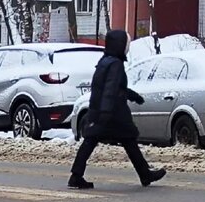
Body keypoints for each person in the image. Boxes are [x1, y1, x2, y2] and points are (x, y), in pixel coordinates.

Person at [69, 29, 166, 189]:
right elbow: (110, 89)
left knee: (93, 141)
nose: (127, 47)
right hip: (113, 113)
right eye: (126, 44)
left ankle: (76, 175)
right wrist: (106, 112)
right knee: (127, 140)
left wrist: (132, 95)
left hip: (103, 110)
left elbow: (111, 87)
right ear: (121, 46)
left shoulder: (105, 61)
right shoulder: (115, 64)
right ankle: (145, 174)